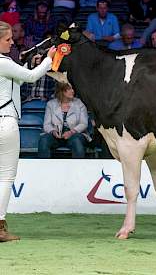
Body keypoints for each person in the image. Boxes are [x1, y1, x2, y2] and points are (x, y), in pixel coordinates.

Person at [0, 21, 56, 242]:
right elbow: (31, 78)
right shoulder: (3, 62)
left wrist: (30, 65)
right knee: (5, 176)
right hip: (5, 122)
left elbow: (15, 83)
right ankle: (0, 226)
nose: (12, 42)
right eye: (7, 39)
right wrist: (50, 59)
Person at [38, 83, 90, 159]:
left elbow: (84, 123)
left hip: (75, 134)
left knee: (77, 141)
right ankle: (44, 169)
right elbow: (47, 125)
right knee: (44, 140)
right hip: (56, 136)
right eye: (69, 89)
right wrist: (53, 131)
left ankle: (78, 169)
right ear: (62, 91)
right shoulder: (51, 104)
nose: (73, 91)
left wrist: (71, 132)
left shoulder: (79, 104)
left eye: (72, 89)